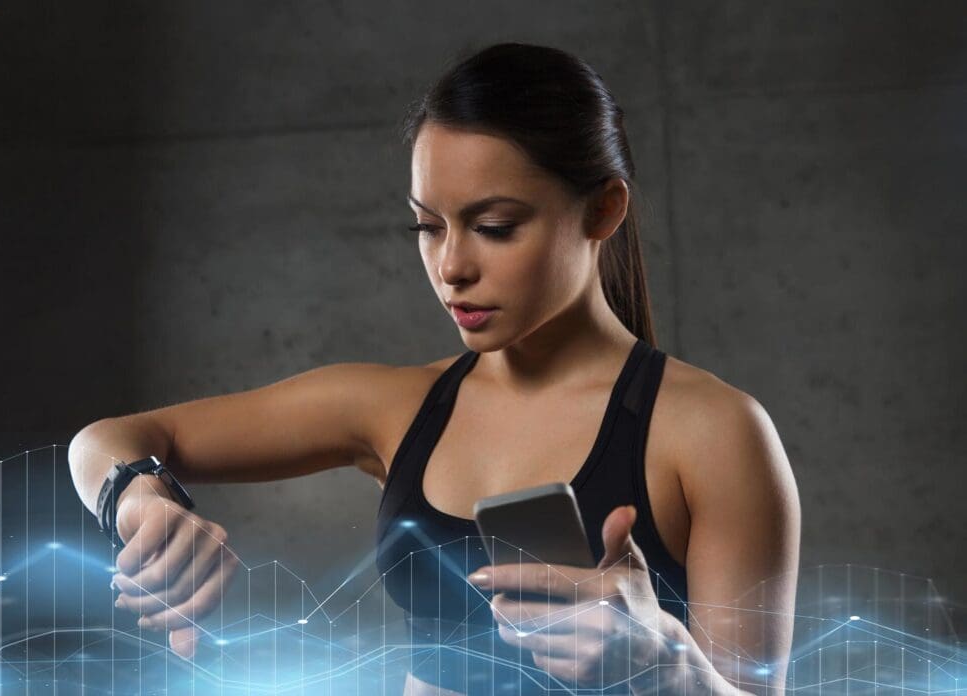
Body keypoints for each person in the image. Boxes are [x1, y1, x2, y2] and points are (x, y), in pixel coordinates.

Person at [68, 42, 800, 695]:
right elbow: (105, 441)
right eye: (428, 226)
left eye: (494, 227)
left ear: (603, 209)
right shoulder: (395, 408)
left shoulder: (711, 432)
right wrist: (143, 501)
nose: (451, 266)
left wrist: (667, 669)